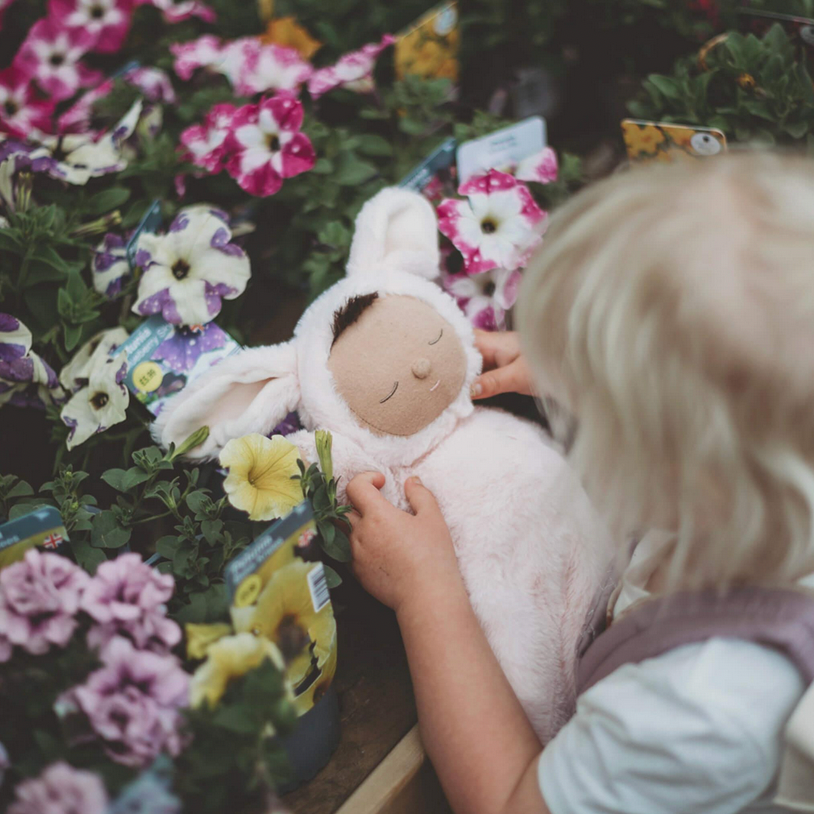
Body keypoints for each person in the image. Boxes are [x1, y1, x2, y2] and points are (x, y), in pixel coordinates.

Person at [344, 151, 814, 814]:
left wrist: (428, 594)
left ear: (677, 466)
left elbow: (510, 803)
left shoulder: (697, 704)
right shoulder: (772, 461)